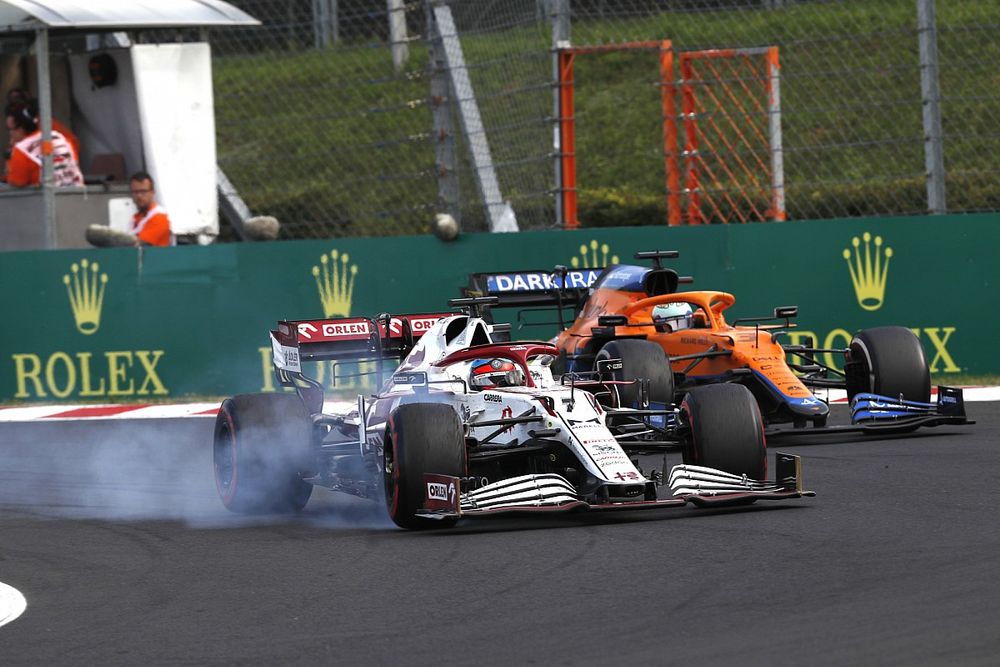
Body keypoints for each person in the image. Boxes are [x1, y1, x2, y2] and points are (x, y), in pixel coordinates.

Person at [3, 101, 84, 187]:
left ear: (21, 128)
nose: (9, 133)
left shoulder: (21, 150)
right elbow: (74, 160)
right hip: (76, 194)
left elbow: (16, 183)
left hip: (43, 198)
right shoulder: (61, 137)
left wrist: (9, 165)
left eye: (9, 129)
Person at [128, 171, 174, 247]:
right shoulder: (135, 218)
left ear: (152, 192)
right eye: (135, 192)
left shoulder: (160, 216)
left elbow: (138, 246)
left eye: (143, 191)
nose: (139, 196)